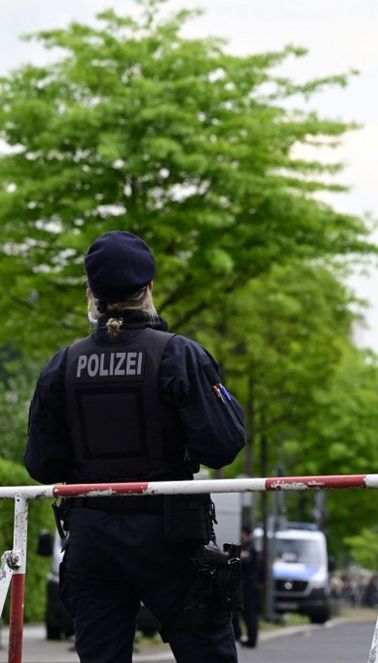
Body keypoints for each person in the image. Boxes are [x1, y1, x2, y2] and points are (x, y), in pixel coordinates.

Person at [25, 231, 246, 663]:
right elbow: (223, 445)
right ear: (149, 289)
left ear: (90, 293)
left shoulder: (63, 364)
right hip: (171, 538)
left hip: (91, 538)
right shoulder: (179, 355)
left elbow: (41, 464)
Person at [232, 527, 260, 648]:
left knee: (249, 614)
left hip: (249, 587)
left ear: (247, 535)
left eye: (243, 534)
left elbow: (248, 561)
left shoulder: (251, 548)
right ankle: (241, 637)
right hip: (244, 586)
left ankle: (252, 639)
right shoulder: (245, 547)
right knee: (238, 613)